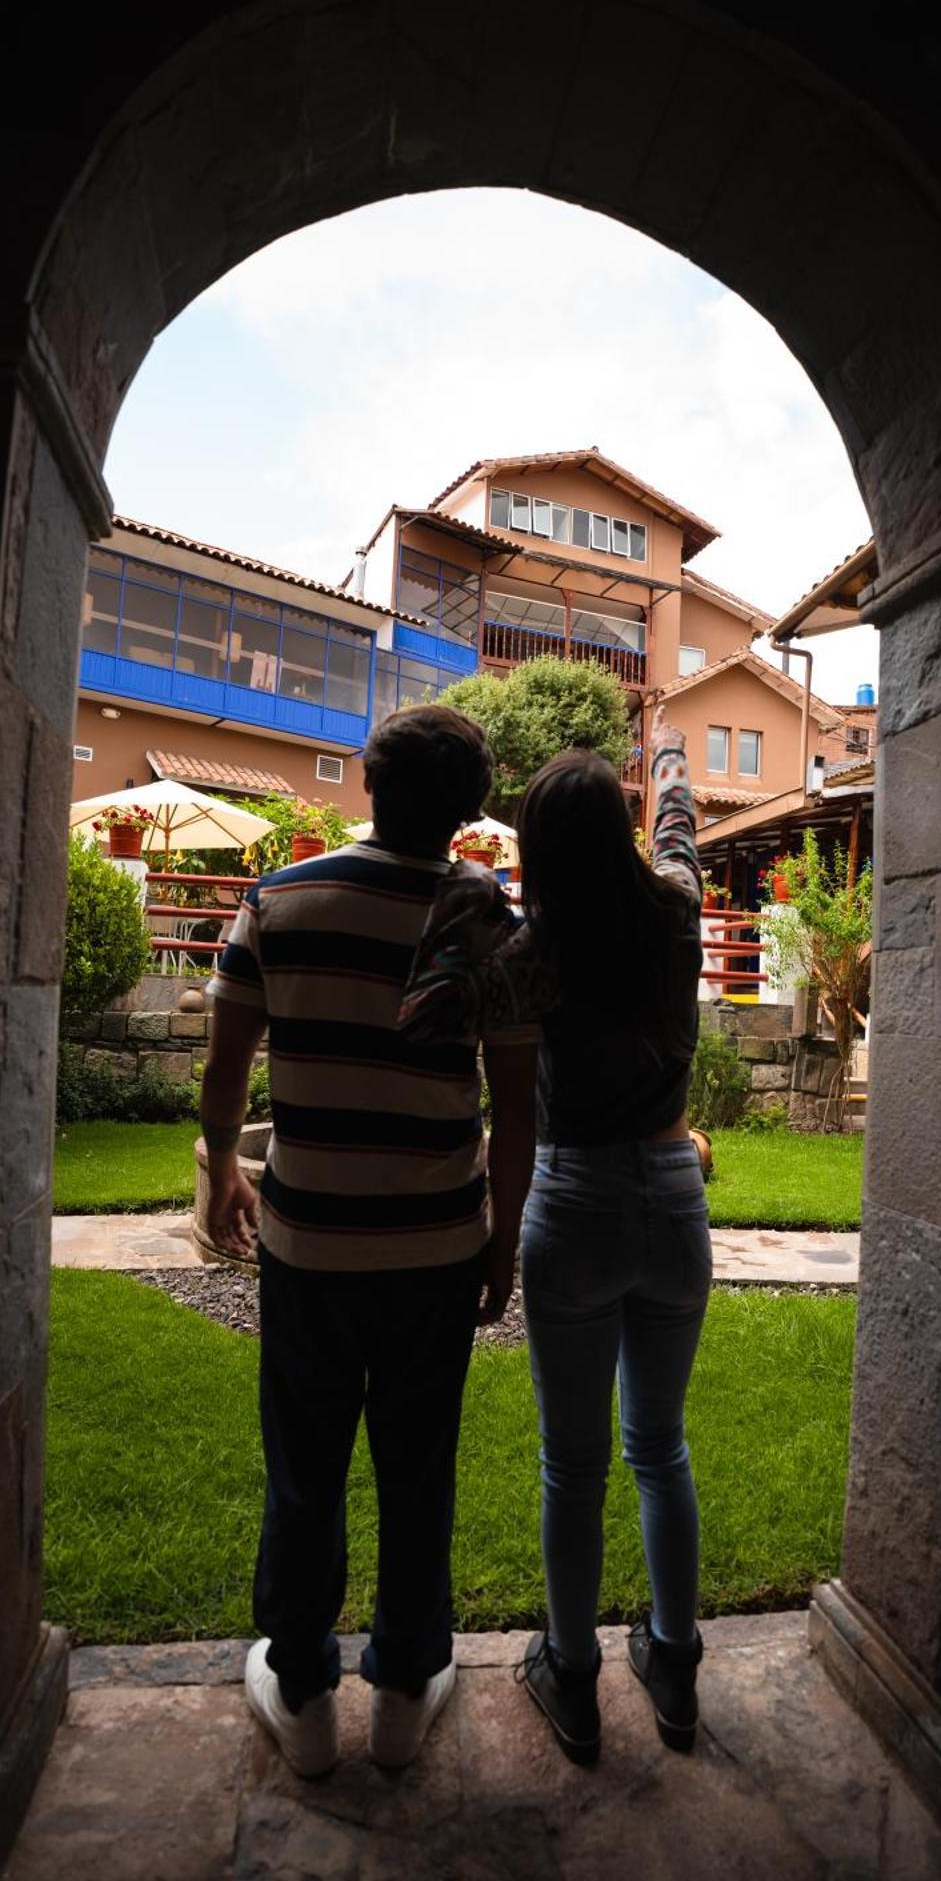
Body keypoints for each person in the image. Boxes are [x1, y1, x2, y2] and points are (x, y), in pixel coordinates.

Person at [200, 706, 539, 1778]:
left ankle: (301, 1692)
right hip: (436, 1244)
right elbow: (519, 1102)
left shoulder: (279, 896)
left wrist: (221, 1163)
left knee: (302, 1468)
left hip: (308, 1245)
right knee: (416, 1465)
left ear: (365, 778)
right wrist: (504, 1240)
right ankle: (403, 1685)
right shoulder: (488, 912)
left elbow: (222, 1067)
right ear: (471, 809)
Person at [400, 705, 710, 1763]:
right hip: (672, 1187)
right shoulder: (674, 912)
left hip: (572, 1203)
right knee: (659, 1447)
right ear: (619, 836)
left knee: (573, 1464)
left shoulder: (533, 951)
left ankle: (571, 1671)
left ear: (533, 848)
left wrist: (465, 897)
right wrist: (666, 758)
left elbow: (429, 1011)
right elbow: (679, 833)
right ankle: (674, 1663)